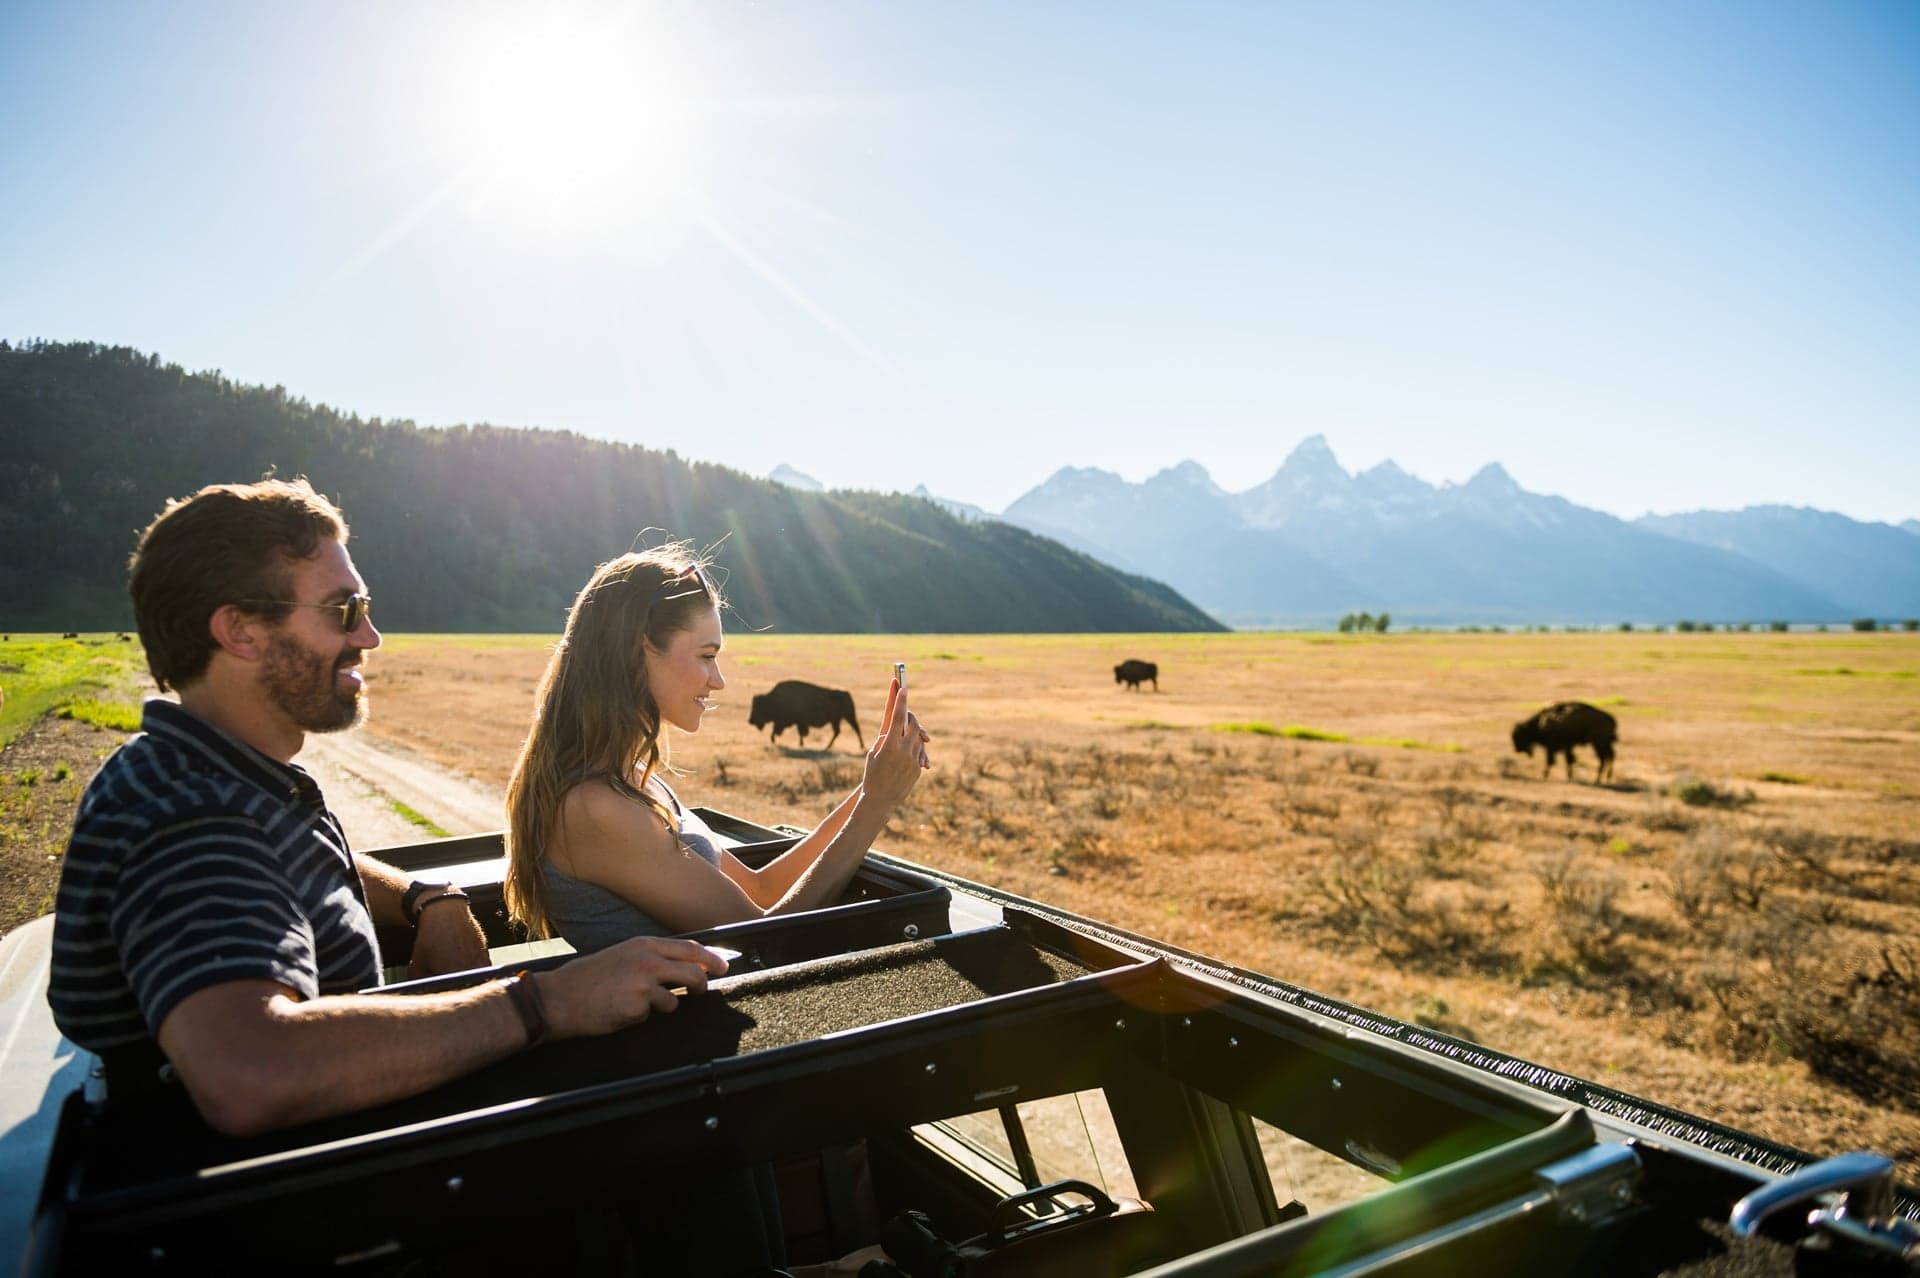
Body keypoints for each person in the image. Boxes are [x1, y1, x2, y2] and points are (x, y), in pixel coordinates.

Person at [48, 479, 728, 1139]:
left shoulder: (226, 780)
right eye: (344, 610)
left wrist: (421, 898)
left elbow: (297, 865)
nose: (370, 636)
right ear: (242, 632)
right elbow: (249, 1075)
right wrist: (547, 1001)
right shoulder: (190, 813)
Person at [503, 548, 930, 951]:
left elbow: (760, 891)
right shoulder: (593, 807)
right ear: (639, 651)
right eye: (707, 655)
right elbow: (762, 940)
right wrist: (877, 802)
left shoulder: (631, 779)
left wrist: (872, 785)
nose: (718, 680)